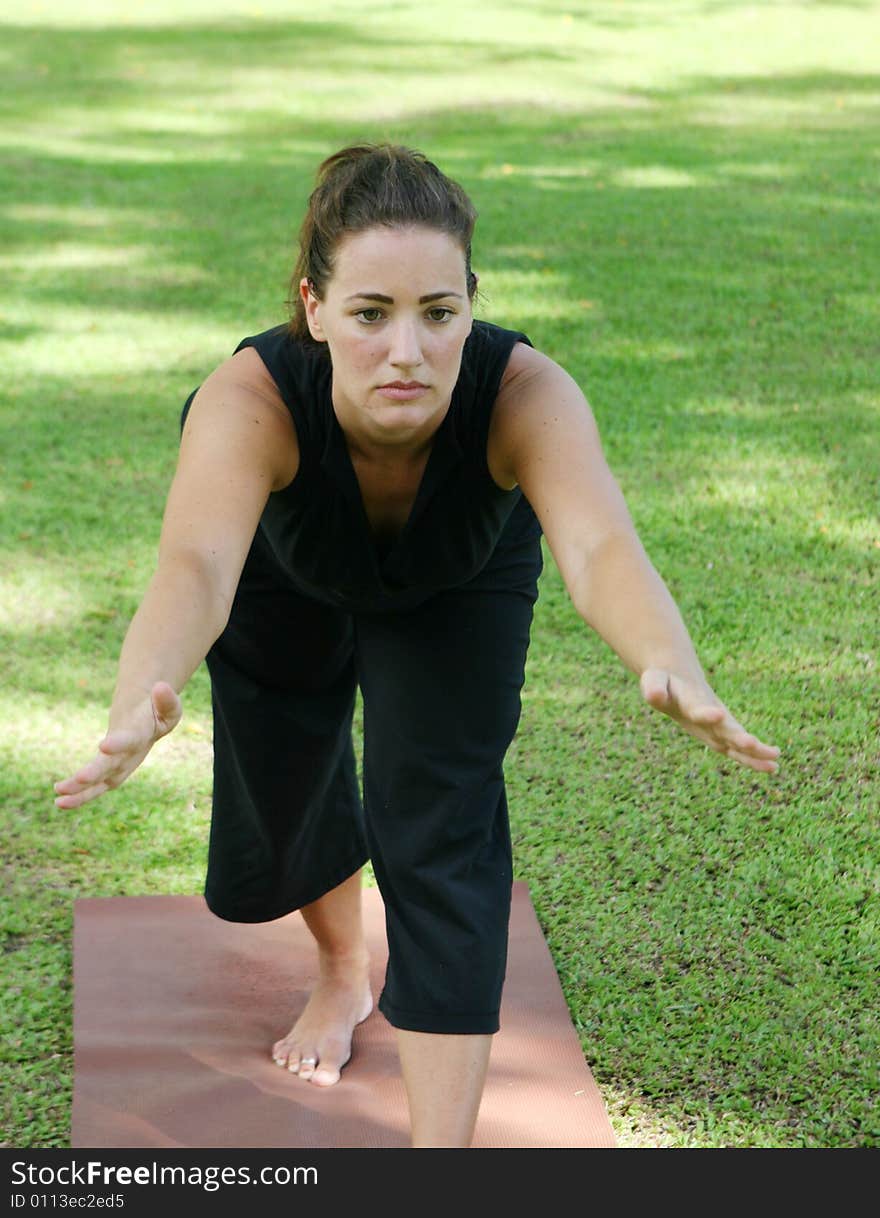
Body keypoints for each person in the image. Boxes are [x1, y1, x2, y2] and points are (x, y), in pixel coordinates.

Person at [54, 143, 779, 1149]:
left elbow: (600, 541)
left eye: (439, 313)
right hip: (282, 568)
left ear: (470, 307)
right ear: (314, 307)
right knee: (286, 773)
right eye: (370, 313)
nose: (408, 350)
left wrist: (668, 658)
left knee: (443, 823)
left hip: (458, 578)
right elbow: (196, 567)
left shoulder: (525, 393)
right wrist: (146, 690)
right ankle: (343, 970)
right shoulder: (251, 401)